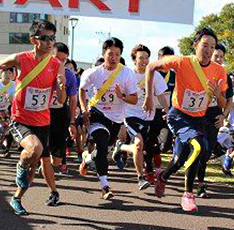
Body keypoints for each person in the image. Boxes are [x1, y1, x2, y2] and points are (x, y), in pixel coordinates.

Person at [0, 19, 66, 216]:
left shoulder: (56, 64)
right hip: (21, 119)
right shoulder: (20, 59)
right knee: (35, 149)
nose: (50, 43)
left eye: (53, 38)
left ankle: (16, 198)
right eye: (45, 38)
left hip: (43, 122)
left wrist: (61, 87)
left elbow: (61, 99)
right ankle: (20, 166)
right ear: (34, 40)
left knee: (33, 167)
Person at [143, 27, 227, 212]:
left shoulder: (219, 71)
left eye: (212, 47)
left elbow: (222, 101)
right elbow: (151, 67)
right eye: (205, 45)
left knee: (179, 160)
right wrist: (149, 96)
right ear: (195, 44)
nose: (208, 50)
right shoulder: (181, 62)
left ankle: (163, 176)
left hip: (199, 119)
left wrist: (216, 95)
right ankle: (188, 196)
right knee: (198, 146)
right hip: (178, 115)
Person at [78, 37, 138, 199]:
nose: (113, 58)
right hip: (98, 114)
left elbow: (134, 98)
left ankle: (87, 158)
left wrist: (122, 96)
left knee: (102, 151)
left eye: (117, 55)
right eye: (110, 54)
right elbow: (82, 90)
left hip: (116, 119)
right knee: (102, 146)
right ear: (103, 53)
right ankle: (105, 186)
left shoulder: (127, 74)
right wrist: (84, 110)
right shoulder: (93, 73)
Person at [112, 44, 168, 190]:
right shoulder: (127, 74)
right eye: (141, 58)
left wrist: (167, 110)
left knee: (143, 147)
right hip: (130, 114)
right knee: (138, 143)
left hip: (148, 116)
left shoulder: (154, 75)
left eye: (147, 57)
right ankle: (140, 177)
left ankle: (121, 146)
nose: (144, 61)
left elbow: (160, 95)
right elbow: (119, 95)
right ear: (134, 60)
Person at [40, 42, 77, 206]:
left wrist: (72, 122)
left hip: (60, 116)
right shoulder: (41, 70)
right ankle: (52, 190)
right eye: (57, 59)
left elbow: (72, 99)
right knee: (43, 154)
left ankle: (47, 168)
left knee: (56, 160)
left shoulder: (69, 75)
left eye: (64, 60)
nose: (60, 63)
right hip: (42, 114)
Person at [197, 42, 233, 196]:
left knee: (206, 152)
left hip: (215, 118)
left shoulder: (224, 75)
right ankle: (198, 184)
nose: (218, 59)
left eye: (221, 57)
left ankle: (200, 185)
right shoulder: (198, 71)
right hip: (197, 117)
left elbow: (229, 100)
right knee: (199, 149)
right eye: (215, 56)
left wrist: (223, 116)